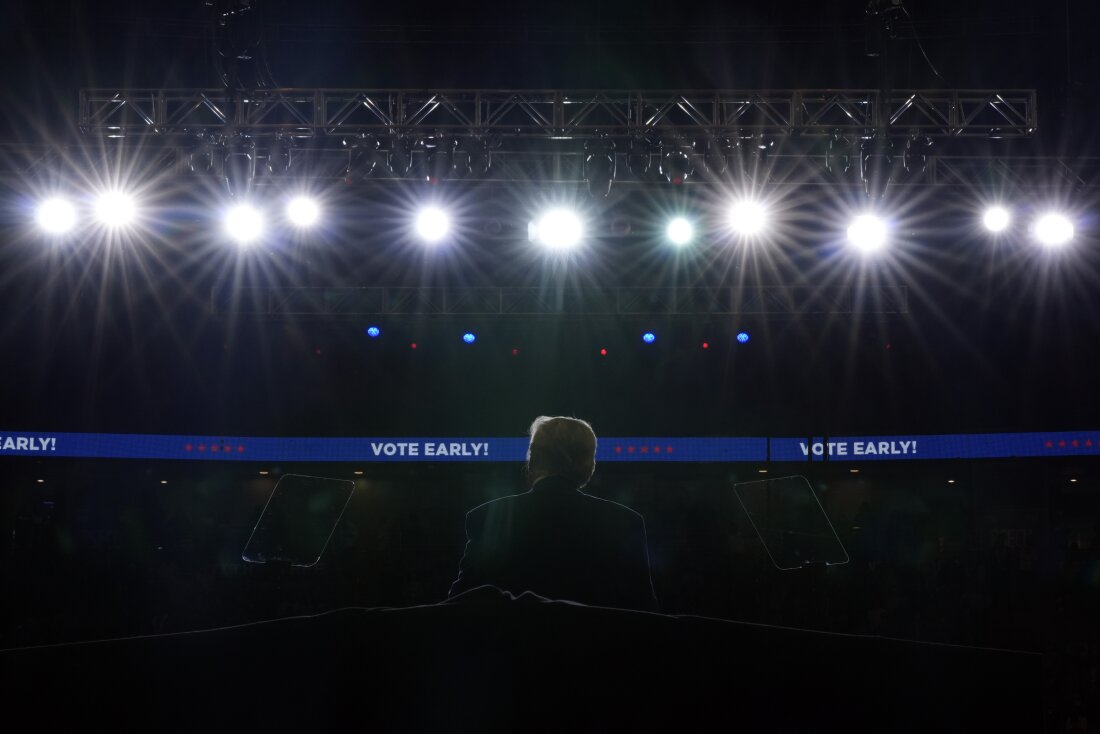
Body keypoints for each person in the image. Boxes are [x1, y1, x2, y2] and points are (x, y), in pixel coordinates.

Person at [448, 416, 659, 612]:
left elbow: (459, 604)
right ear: (587, 465)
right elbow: (645, 612)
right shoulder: (626, 522)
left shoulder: (485, 518)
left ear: (532, 460)